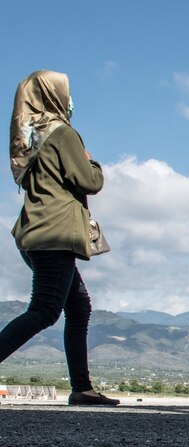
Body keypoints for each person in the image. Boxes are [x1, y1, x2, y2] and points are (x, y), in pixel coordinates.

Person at [0, 70, 118, 406]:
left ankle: (81, 387)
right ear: (55, 95)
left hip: (35, 231)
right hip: (55, 232)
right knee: (45, 310)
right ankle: (81, 387)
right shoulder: (63, 133)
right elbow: (91, 180)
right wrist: (90, 160)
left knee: (79, 306)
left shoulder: (31, 137)